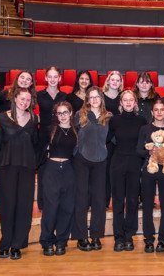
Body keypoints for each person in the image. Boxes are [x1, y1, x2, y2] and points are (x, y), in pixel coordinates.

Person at [0, 88, 38, 260]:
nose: (24, 102)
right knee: (7, 206)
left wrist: (36, 163)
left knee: (24, 207)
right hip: (7, 166)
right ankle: (5, 244)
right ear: (15, 98)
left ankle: (17, 245)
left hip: (27, 167)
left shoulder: (33, 118)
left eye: (28, 100)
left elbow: (36, 143)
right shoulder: (3, 117)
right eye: (22, 99)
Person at [72, 86, 111, 251]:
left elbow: (113, 138)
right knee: (81, 198)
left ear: (102, 98)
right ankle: (81, 237)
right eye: (91, 97)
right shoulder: (79, 115)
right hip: (82, 159)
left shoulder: (108, 117)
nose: (94, 100)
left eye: (97, 97)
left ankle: (96, 236)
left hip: (101, 160)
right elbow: (71, 134)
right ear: (87, 100)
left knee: (99, 199)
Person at [109, 90, 148, 251]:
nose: (128, 102)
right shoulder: (114, 120)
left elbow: (145, 143)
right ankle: (118, 237)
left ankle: (128, 235)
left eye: (130, 99)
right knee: (118, 201)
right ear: (121, 103)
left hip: (134, 163)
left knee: (132, 201)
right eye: (125, 100)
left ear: (135, 102)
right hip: (117, 162)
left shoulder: (142, 120)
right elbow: (108, 141)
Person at [39, 101, 77, 256]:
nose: (62, 116)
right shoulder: (49, 130)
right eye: (59, 113)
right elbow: (40, 150)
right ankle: (47, 241)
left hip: (68, 170)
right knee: (51, 208)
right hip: (52, 170)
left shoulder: (76, 131)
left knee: (67, 208)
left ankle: (61, 241)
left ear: (71, 113)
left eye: (65, 112)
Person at [136, 100, 164, 253]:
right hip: (149, 169)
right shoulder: (145, 129)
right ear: (152, 112)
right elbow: (138, 150)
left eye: (162, 110)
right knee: (147, 205)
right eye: (156, 110)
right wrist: (149, 152)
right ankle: (149, 239)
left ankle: (163, 239)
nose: (159, 112)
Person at [35, 67, 66, 210]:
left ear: (60, 78)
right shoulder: (38, 95)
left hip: (60, 134)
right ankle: (42, 202)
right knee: (43, 169)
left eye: (56, 77)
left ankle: (58, 199)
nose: (53, 79)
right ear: (46, 78)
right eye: (50, 77)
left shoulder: (64, 96)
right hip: (43, 135)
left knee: (59, 168)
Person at [101, 70, 122, 206]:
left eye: (117, 80)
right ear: (108, 81)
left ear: (121, 83)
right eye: (112, 79)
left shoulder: (123, 97)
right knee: (105, 169)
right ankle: (105, 199)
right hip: (105, 136)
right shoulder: (101, 97)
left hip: (120, 137)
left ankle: (118, 200)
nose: (115, 82)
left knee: (117, 170)